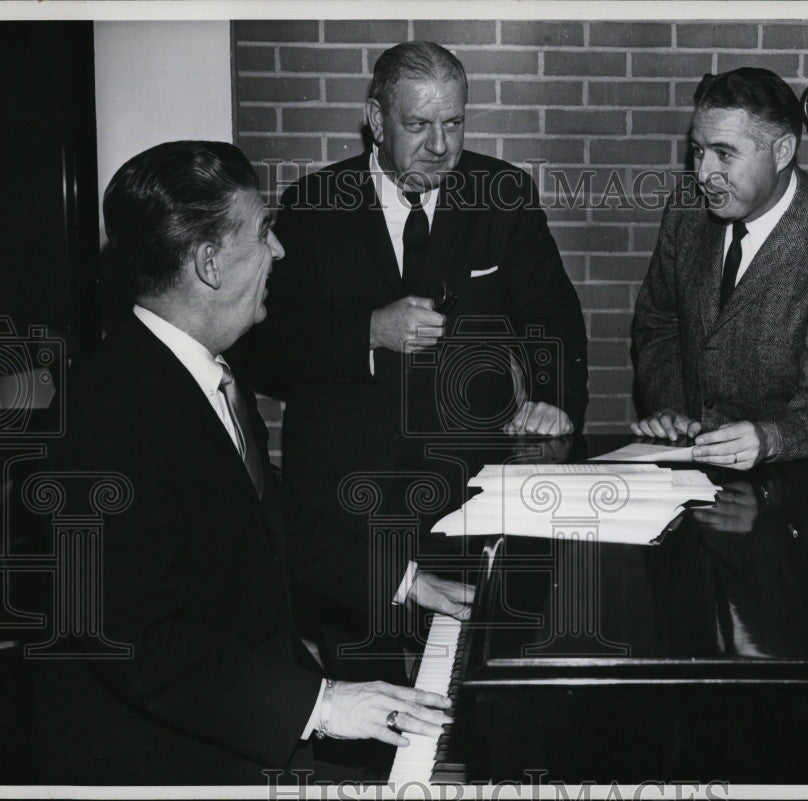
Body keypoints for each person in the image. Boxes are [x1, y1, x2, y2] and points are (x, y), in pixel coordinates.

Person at [30, 141, 453, 785]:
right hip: (155, 759)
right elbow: (138, 640)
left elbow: (264, 512)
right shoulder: (106, 418)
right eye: (263, 231)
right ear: (209, 263)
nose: (279, 251)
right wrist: (324, 705)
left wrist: (404, 579)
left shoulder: (208, 368)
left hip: (240, 716)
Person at [235, 41, 587, 675]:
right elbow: (263, 347)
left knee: (478, 691)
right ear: (376, 120)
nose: (440, 145)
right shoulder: (313, 205)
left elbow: (553, 318)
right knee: (365, 713)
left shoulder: (502, 194)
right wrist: (367, 331)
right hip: (349, 511)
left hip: (472, 496)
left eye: (453, 123)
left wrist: (552, 400)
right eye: (418, 124)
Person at [631, 67, 808, 468]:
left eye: (724, 153)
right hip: (689, 470)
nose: (702, 174)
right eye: (698, 150)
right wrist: (670, 409)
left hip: (796, 480)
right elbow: (659, 322)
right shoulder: (686, 211)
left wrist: (771, 438)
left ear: (782, 152)